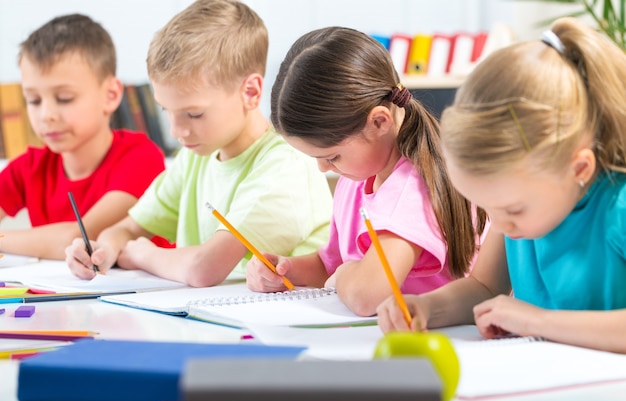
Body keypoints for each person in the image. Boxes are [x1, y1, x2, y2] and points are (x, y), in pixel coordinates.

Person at [377, 17, 626, 354]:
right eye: (486, 206)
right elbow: (483, 287)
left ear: (579, 168)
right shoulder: (513, 210)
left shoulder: (617, 208)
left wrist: (538, 321)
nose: (500, 224)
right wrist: (425, 308)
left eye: (512, 209)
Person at [65, 0, 332, 287]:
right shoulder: (196, 155)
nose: (176, 130)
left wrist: (142, 255)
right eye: (166, 110)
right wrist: (102, 252)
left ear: (250, 92)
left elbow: (204, 268)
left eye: (194, 114)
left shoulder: (285, 165)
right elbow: (126, 229)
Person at [246, 27, 487, 317]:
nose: (323, 168)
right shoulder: (358, 176)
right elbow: (331, 265)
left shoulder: (411, 189)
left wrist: (346, 276)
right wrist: (285, 269)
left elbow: (365, 296)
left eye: (332, 156)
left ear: (379, 122)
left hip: (447, 339)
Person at [0, 14, 166, 260]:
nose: (47, 115)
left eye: (65, 98)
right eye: (33, 100)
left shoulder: (141, 156)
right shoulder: (29, 167)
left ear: (110, 95)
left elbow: (76, 239)